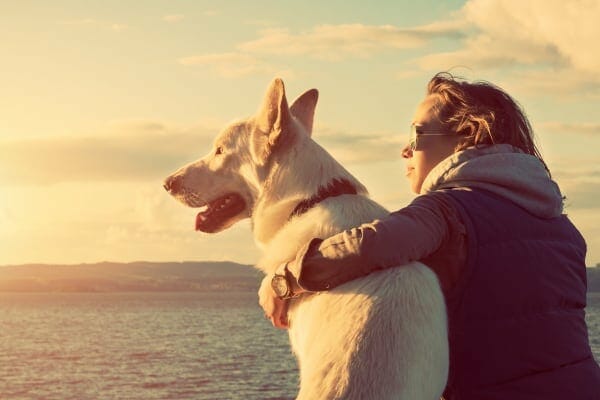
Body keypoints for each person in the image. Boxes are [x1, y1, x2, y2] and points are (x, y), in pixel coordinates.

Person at [259, 72, 600, 399]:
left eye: (416, 136)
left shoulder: (445, 211)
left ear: (467, 134)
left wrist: (284, 279)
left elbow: (367, 245)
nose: (404, 151)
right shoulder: (562, 227)